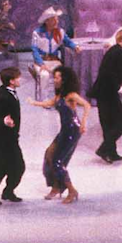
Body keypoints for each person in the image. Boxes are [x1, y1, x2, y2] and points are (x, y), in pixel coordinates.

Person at [37, 64, 89, 203]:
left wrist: (83, 122)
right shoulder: (59, 96)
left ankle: (71, 190)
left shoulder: (71, 95)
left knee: (57, 161)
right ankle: (56, 187)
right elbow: (48, 103)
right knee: (49, 154)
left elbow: (86, 105)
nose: (55, 79)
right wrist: (34, 103)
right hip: (65, 130)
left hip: (72, 130)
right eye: (55, 77)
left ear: (64, 79)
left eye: (58, 77)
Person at [0, 65, 26, 204]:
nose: (21, 79)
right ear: (11, 81)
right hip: (2, 139)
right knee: (2, 167)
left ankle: (7, 192)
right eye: (18, 78)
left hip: (9, 138)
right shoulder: (4, 96)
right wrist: (3, 120)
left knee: (13, 167)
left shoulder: (4, 90)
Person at [91, 29, 122, 162]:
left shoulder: (115, 50)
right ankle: (104, 149)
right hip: (107, 92)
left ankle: (111, 152)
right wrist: (119, 87)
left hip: (105, 91)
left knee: (109, 123)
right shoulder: (118, 52)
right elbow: (109, 73)